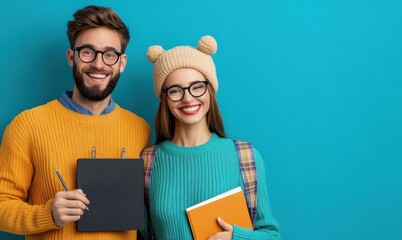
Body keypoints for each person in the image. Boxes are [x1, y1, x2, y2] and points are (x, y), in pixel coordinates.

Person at [0, 5, 150, 240]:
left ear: (122, 63)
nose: (99, 64)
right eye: (88, 52)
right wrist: (47, 214)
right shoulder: (27, 125)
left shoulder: (140, 128)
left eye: (110, 54)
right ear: (72, 57)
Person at [140, 35, 280, 239]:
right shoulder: (147, 162)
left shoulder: (246, 156)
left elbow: (273, 235)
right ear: (165, 99)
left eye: (197, 87)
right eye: (175, 91)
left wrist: (237, 237)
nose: (188, 98)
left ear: (210, 91)